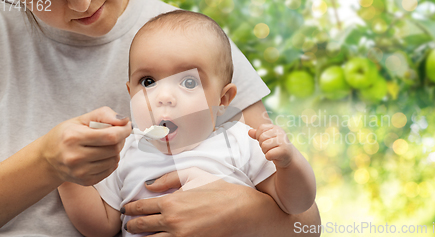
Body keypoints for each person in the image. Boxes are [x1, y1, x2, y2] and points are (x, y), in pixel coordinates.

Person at [0, 0, 321, 236]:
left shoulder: (238, 139)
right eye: (148, 82)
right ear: (129, 92)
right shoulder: (125, 154)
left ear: (224, 99)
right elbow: (102, 226)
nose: (84, 4)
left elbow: (302, 216)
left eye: (189, 82)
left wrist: (287, 165)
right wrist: (64, 175)